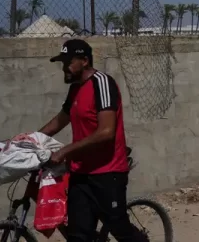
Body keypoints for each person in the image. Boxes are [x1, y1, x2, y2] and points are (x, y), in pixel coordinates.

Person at [38, 39, 148, 241]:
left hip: (108, 173)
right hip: (80, 173)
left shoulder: (102, 83)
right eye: (62, 63)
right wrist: (31, 139)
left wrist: (64, 151)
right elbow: (60, 120)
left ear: (85, 61)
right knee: (78, 234)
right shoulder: (75, 89)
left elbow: (106, 132)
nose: (64, 68)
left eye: (68, 62)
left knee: (119, 229)